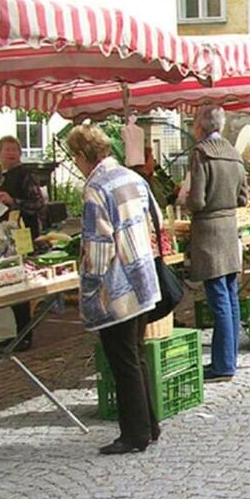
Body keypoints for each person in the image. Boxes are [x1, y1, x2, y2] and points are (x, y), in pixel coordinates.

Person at [69, 125, 161, 454]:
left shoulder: (96, 187)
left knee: (123, 361)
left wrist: (90, 286)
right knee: (136, 356)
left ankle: (134, 434)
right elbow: (156, 219)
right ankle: (149, 425)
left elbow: (98, 247)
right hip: (143, 278)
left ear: (82, 156)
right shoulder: (131, 177)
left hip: (118, 286)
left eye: (75, 157)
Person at [186, 105, 250, 383]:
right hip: (229, 229)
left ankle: (223, 365)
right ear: (221, 127)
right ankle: (229, 359)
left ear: (200, 126)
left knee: (219, 298)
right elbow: (244, 198)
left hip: (209, 231)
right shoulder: (235, 154)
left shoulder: (201, 153)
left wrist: (185, 199)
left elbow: (197, 200)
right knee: (230, 295)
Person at [0, 135, 46, 351]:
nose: (11, 153)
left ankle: (24, 334)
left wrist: (13, 201)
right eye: (7, 149)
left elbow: (38, 203)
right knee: (6, 284)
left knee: (18, 285)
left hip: (22, 238)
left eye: (15, 149)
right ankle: (11, 333)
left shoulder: (25, 175)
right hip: (1, 239)